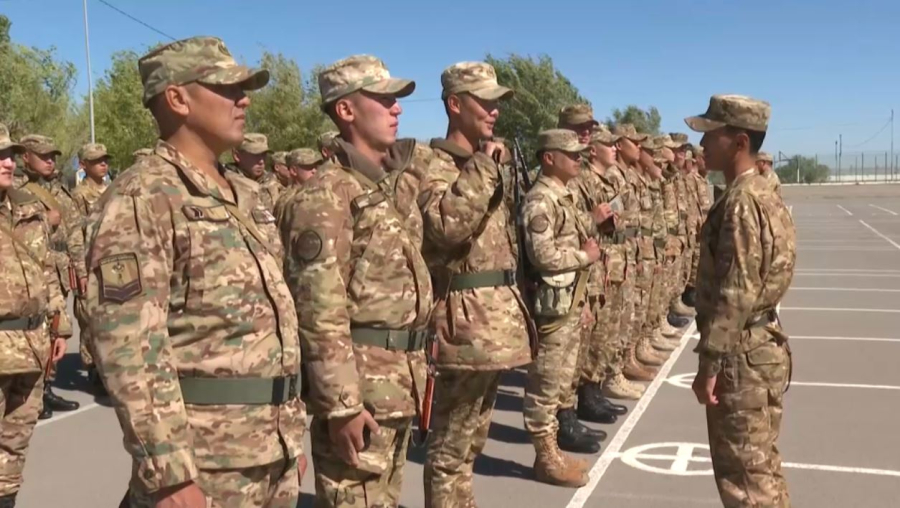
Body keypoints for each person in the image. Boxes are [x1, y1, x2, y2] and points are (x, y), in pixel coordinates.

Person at [83, 36, 305, 508]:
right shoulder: (145, 196)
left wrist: (290, 429)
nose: (243, 99)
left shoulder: (242, 194)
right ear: (178, 98)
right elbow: (130, 347)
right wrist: (167, 472)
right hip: (203, 466)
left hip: (270, 451)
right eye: (226, 88)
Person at [279, 54, 433, 508]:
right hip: (363, 393)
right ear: (345, 111)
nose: (397, 108)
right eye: (384, 99)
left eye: (396, 99)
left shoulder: (380, 188)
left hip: (396, 385)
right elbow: (319, 310)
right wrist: (342, 403)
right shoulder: (327, 195)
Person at [418, 61, 534, 507]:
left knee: (471, 442)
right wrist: (484, 167)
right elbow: (447, 228)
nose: (494, 112)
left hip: (493, 323)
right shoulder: (434, 165)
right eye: (485, 102)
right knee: (449, 449)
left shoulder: (481, 164)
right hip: (462, 326)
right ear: (454, 104)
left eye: (496, 103)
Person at [686, 94, 796, 508]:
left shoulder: (742, 201)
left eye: (710, 135)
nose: (701, 145)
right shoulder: (764, 193)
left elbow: (737, 291)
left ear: (739, 142)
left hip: (741, 356)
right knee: (761, 470)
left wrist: (709, 365)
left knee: (745, 483)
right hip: (760, 346)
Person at [521, 129, 603, 487]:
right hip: (552, 309)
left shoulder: (564, 197)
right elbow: (543, 256)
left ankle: (552, 449)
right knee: (545, 383)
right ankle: (545, 457)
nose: (579, 159)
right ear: (548, 157)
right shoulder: (541, 200)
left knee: (560, 382)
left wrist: (582, 300)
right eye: (571, 153)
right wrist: (585, 256)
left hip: (569, 302)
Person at [0, 124, 70, 508]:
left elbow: (47, 270)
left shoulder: (28, 208)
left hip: (30, 345)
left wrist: (60, 326)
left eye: (9, 154)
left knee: (14, 447)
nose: (8, 162)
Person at [17, 134, 82, 419]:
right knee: (32, 333)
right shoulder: (17, 189)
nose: (50, 161)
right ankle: (29, 394)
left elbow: (73, 230)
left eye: (52, 156)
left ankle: (45, 388)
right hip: (29, 272)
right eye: (43, 156)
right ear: (25, 158)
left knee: (54, 330)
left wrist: (77, 266)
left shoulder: (56, 189)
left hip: (56, 267)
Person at [71, 143, 111, 391]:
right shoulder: (79, 195)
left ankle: (108, 367)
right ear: (84, 165)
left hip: (113, 264)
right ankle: (93, 368)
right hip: (89, 262)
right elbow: (75, 234)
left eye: (105, 159)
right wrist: (80, 270)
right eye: (97, 160)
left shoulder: (113, 188)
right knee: (89, 319)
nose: (103, 164)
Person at [273, 148, 322, 226]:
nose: (314, 171)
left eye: (316, 166)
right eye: (308, 167)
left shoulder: (318, 193)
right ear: (293, 170)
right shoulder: (288, 200)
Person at [230, 133, 278, 210]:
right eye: (255, 155)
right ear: (237, 156)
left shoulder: (271, 181)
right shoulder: (226, 183)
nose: (261, 161)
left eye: (264, 154)